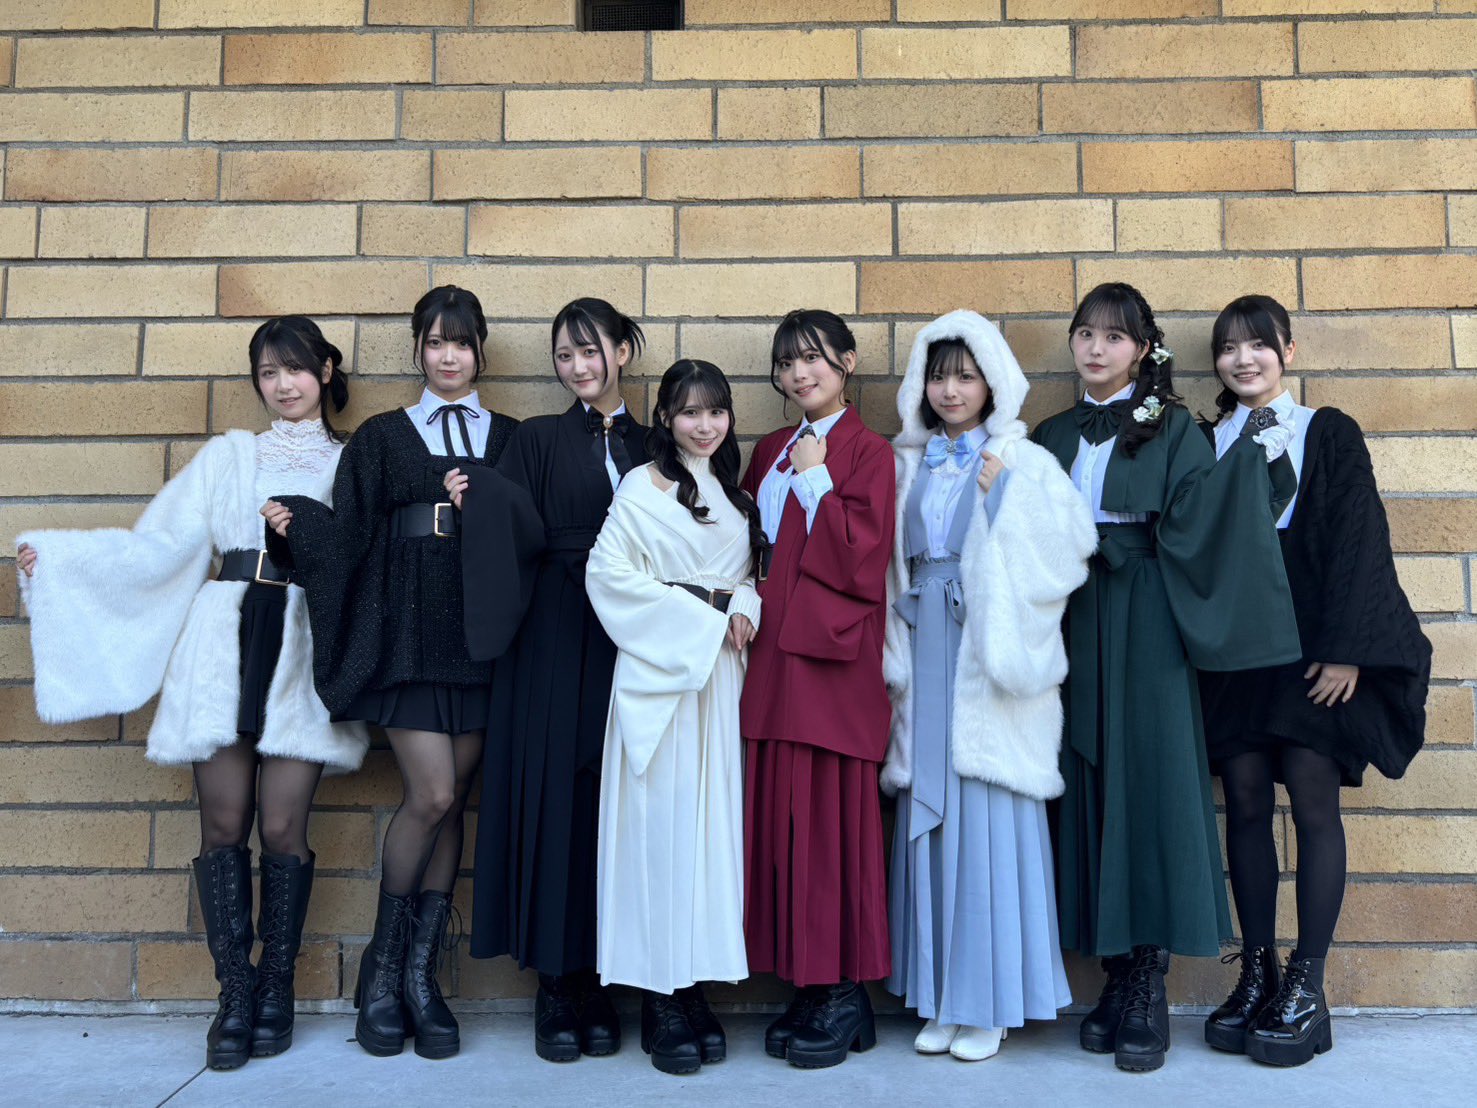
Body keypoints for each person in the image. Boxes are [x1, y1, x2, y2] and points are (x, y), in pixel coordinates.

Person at [18, 317, 367, 1070]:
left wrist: (309, 537)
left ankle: (276, 986)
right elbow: (159, 547)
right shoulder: (228, 456)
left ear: (326, 370)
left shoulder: (354, 461)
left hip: (304, 646)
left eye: (296, 368)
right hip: (221, 648)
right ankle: (234, 995)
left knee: (283, 826)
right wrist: (60, 561)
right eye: (268, 372)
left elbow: (366, 565)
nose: (282, 384)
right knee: (223, 822)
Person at [262, 286, 540, 1061]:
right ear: (417, 349)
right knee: (434, 794)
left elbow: (532, 536)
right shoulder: (382, 437)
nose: (448, 356)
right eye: (434, 342)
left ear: (480, 351)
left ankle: (421, 980)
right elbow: (348, 538)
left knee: (455, 806)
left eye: (461, 342)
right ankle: (381, 975)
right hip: (410, 637)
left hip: (483, 638)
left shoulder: (514, 438)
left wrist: (488, 504)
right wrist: (294, 529)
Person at [1030, 282, 1300, 1073]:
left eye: (1114, 336)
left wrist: (1252, 460)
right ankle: (1114, 974)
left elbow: (1206, 516)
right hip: (1068, 618)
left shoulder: (1174, 427)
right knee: (1085, 782)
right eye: (1084, 333)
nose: (1095, 348)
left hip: (1146, 615)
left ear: (1142, 349)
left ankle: (1147, 977)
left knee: (1148, 781)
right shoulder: (1048, 434)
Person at [1198, 295, 1432, 1067]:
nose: (1242, 359)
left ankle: (1307, 983)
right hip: (1237, 651)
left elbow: (1360, 538)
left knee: (1310, 797)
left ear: (1287, 351)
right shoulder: (1204, 441)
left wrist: (1345, 651)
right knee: (1243, 802)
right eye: (1227, 348)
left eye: (1257, 345)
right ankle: (1257, 972)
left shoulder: (1325, 431)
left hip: (1310, 647)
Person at [882, 311, 1095, 1062]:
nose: (950, 390)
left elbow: (1069, 551)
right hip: (923, 647)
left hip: (985, 655)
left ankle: (989, 1003)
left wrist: (1004, 500)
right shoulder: (905, 463)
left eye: (966, 377)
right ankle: (941, 996)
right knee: (931, 812)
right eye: (939, 376)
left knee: (985, 816)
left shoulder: (1021, 459)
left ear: (992, 383)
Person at [451, 297, 646, 1063]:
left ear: (622, 352)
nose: (578, 367)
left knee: (619, 801)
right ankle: (559, 984)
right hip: (556, 634)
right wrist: (477, 499)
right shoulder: (534, 440)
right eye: (564, 355)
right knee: (558, 798)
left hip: (635, 637)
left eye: (590, 351)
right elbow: (511, 528)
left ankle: (605, 977)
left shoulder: (659, 441)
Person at [584, 359, 766, 1075]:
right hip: (662, 671)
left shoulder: (735, 493)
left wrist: (744, 603)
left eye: (715, 411)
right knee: (658, 832)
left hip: (719, 680)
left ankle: (692, 985)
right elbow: (607, 576)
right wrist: (701, 622)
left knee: (707, 834)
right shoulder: (640, 487)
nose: (704, 424)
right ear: (665, 417)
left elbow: (744, 577)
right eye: (689, 412)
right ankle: (660, 997)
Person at [739, 309, 896, 1069]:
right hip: (770, 648)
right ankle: (807, 982)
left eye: (813, 358)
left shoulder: (869, 452)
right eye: (787, 363)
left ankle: (843, 989)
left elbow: (863, 559)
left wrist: (815, 477)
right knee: (781, 818)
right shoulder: (768, 448)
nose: (799, 374)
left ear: (847, 362)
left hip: (831, 656)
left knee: (831, 820)